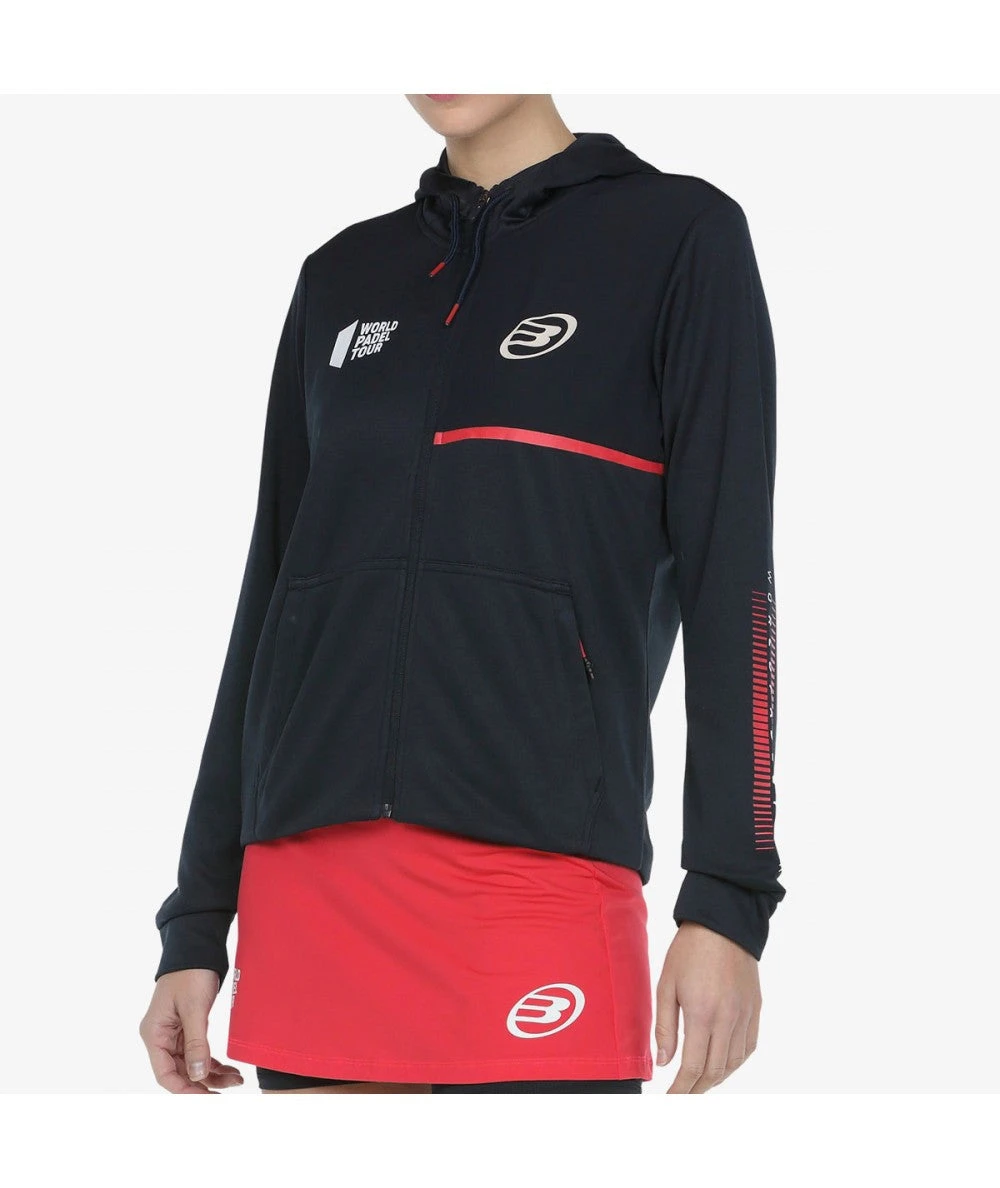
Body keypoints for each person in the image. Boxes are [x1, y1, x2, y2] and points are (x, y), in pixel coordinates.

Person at [139, 93, 785, 1095]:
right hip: (312, 884)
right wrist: (196, 921)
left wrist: (726, 901)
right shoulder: (341, 275)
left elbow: (731, 585)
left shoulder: (676, 237)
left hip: (539, 871)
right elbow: (271, 603)